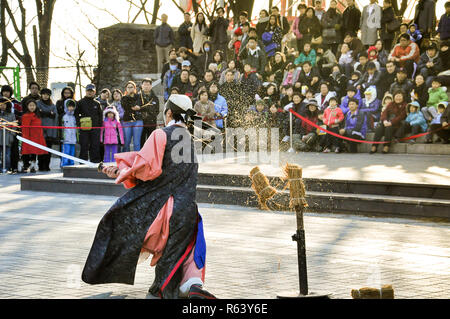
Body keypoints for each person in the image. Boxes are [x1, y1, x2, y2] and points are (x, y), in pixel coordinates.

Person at [82, 94, 215, 299]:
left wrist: (123, 172)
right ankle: (190, 287)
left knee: (116, 219)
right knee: (176, 254)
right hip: (188, 209)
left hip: (163, 207)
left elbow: (146, 169)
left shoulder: (161, 134)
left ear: (169, 112)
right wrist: (124, 168)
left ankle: (163, 290)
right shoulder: (189, 139)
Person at [76, 84, 103, 163]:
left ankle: (95, 162)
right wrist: (80, 123)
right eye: (88, 91)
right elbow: (76, 114)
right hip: (84, 129)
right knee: (84, 145)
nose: (90, 93)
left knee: (95, 145)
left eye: (91, 91)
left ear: (94, 92)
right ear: (86, 91)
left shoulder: (97, 103)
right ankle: (82, 162)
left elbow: (100, 116)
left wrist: (99, 127)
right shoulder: (80, 102)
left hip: (95, 129)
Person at [21, 99, 47, 173]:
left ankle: (33, 165)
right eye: (30, 105)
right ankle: (25, 165)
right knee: (26, 152)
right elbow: (25, 128)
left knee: (34, 152)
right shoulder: (25, 116)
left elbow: (40, 127)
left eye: (33, 105)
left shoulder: (38, 116)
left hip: (37, 137)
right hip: (28, 137)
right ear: (27, 106)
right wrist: (25, 138)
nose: (32, 107)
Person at [1, 85, 22, 173]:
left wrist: (14, 132)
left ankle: (12, 167)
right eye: (4, 91)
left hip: (11, 133)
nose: (6, 93)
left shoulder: (16, 102)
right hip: (1, 134)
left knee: (11, 152)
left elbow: (19, 116)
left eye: (8, 91)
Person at [36, 88, 58, 171]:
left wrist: (54, 133)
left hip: (50, 131)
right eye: (44, 94)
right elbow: (37, 113)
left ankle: (47, 165)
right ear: (41, 95)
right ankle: (40, 165)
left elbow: (55, 118)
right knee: (40, 149)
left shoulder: (53, 105)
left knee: (48, 149)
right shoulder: (38, 103)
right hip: (40, 131)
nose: (45, 96)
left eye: (47, 94)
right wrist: (48, 114)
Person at [121, 81, 144, 153]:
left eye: (132, 87)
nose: (130, 89)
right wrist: (134, 107)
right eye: (128, 87)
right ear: (126, 89)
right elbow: (126, 107)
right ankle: (126, 159)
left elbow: (141, 105)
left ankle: (137, 160)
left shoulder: (139, 96)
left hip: (138, 121)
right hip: (127, 122)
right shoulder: (124, 98)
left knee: (136, 142)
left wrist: (138, 107)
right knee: (126, 142)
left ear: (134, 88)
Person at [137, 79, 160, 148]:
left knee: (151, 142)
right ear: (142, 86)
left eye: (148, 85)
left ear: (151, 86)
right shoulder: (137, 97)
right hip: (141, 122)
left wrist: (148, 113)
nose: (146, 86)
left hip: (152, 122)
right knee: (141, 141)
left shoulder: (155, 98)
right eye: (144, 85)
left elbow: (157, 110)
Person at [0, 96, 16, 173]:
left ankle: (7, 167)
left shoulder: (11, 115)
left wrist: (11, 135)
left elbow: (14, 126)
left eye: (3, 104)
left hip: (7, 137)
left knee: (7, 154)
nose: (2, 106)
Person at [61, 99, 77, 167]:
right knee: (66, 152)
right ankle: (64, 165)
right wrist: (62, 137)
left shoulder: (74, 117)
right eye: (69, 106)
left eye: (72, 106)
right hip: (66, 139)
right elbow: (61, 128)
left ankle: (71, 165)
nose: (71, 108)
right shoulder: (64, 117)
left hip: (73, 139)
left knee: (72, 153)